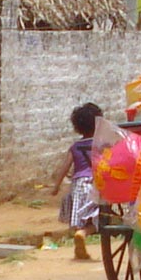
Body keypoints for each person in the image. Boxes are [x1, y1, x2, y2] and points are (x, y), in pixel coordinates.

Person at [51, 102, 103, 260]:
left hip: (78, 185)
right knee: (100, 217)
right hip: (96, 184)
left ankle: (79, 248)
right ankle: (84, 233)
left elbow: (64, 167)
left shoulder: (75, 147)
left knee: (78, 217)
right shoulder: (101, 143)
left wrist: (56, 186)